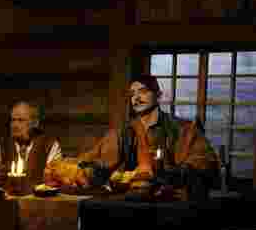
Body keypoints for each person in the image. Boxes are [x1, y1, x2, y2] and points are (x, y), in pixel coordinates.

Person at [79, 75, 219, 188]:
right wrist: (86, 170)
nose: (136, 98)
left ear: (158, 95)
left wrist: (165, 174)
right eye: (132, 94)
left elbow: (204, 161)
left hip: (173, 199)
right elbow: (95, 158)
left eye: (143, 91)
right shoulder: (124, 131)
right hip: (133, 198)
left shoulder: (182, 129)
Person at [0, 100, 62, 186]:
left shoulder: (49, 145)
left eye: (21, 120)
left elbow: (55, 179)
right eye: (13, 120)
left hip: (37, 194)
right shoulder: (1, 145)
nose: (15, 125)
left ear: (35, 123)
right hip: (7, 194)